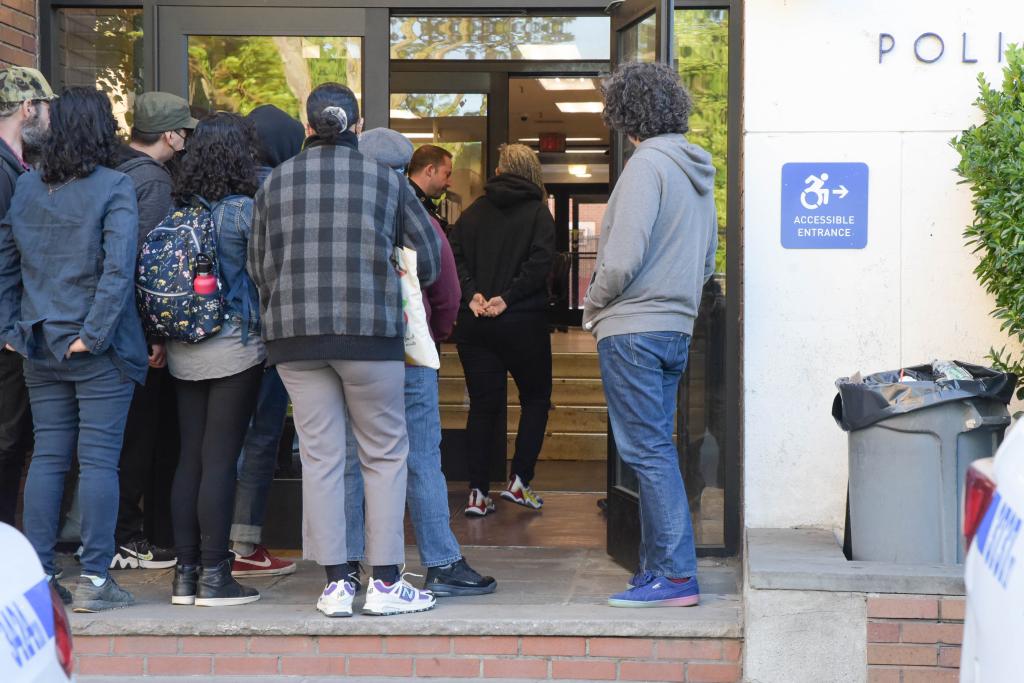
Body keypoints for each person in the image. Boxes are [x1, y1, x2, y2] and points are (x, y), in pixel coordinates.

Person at [248, 83, 442, 617]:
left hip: (293, 337)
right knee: (383, 453)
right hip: (369, 334)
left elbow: (257, 266)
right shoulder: (385, 180)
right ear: (357, 128)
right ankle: (383, 584)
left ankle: (336, 585)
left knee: (320, 457)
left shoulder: (275, 182)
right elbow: (428, 257)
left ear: (308, 127)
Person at [0, 87, 147, 611]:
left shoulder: (26, 188)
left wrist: (13, 329)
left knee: (48, 458)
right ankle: (95, 580)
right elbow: (117, 268)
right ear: (101, 128)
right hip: (93, 349)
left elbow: (6, 263)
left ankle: (39, 576)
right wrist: (96, 334)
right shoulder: (114, 186)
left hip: (39, 342)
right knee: (99, 462)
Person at [582, 62, 717, 608]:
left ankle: (676, 575)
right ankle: (661, 568)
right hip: (675, 329)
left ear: (627, 115)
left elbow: (620, 258)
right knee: (658, 448)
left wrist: (591, 306)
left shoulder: (645, 166)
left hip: (633, 329)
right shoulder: (697, 171)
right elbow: (707, 264)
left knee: (649, 451)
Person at [345, 127, 495, 597]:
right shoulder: (415, 215)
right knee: (421, 457)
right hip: (407, 351)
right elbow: (445, 285)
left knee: (349, 459)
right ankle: (443, 562)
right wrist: (440, 331)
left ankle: (345, 569)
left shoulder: (337, 212)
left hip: (343, 351)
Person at [165, 113, 264, 608]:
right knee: (221, 460)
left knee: (190, 457)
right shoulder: (245, 210)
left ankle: (185, 575)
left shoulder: (179, 206)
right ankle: (216, 576)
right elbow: (265, 276)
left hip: (184, 346)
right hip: (234, 345)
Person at [109, 92, 197, 571]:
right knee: (141, 436)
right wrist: (153, 335)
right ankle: (128, 536)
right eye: (182, 131)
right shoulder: (154, 182)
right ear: (169, 135)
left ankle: (119, 532)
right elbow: (149, 266)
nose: (185, 140)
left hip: (108, 328)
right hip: (135, 334)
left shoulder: (112, 172)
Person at [448, 143, 555, 516]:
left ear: (500, 168)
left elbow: (453, 255)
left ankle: (477, 493)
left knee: (482, 406)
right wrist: (508, 298)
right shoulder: (539, 213)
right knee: (536, 399)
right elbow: (541, 263)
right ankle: (519, 481)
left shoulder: (474, 212)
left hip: (475, 324)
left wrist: (472, 294)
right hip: (523, 322)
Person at [228, 104, 305, 578]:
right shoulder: (281, 189)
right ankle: (244, 543)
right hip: (268, 334)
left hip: (214, 337)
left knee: (219, 441)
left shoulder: (219, 183)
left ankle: (212, 545)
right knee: (260, 438)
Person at [0, 67, 53, 529]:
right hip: (7, 332)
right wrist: (7, 330)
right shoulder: (2, 171)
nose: (50, 118)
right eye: (46, 107)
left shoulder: (20, 167)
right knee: (6, 442)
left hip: (16, 326)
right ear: (27, 107)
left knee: (14, 443)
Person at [408, 144, 453, 231]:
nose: (450, 183)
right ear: (430, 170)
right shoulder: (412, 207)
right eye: (447, 174)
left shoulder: (413, 202)